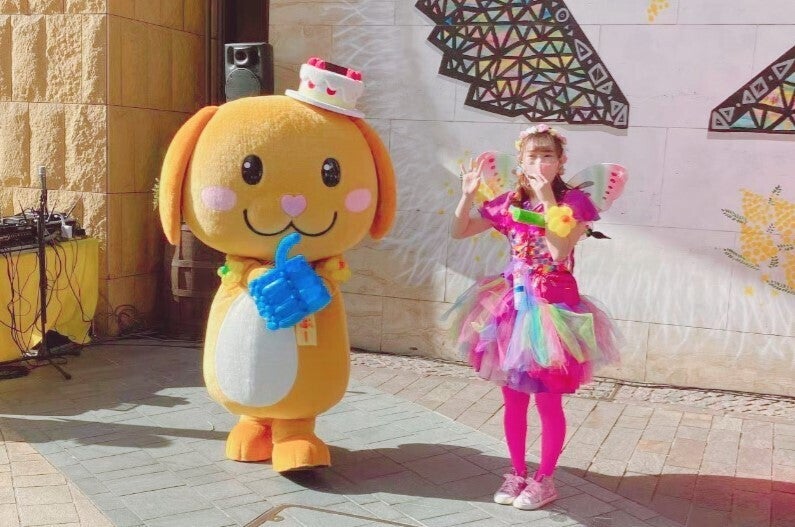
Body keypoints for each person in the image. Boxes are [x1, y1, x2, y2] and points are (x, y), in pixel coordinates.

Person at [449, 124, 620, 510]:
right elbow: (459, 230)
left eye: (547, 156)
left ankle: (545, 479)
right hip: (512, 306)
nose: (539, 162)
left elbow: (559, 252)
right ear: (521, 161)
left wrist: (546, 199)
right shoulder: (509, 202)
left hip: (553, 310)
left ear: (561, 162)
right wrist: (467, 196)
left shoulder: (574, 203)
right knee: (513, 399)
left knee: (547, 401)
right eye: (532, 156)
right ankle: (516, 473)